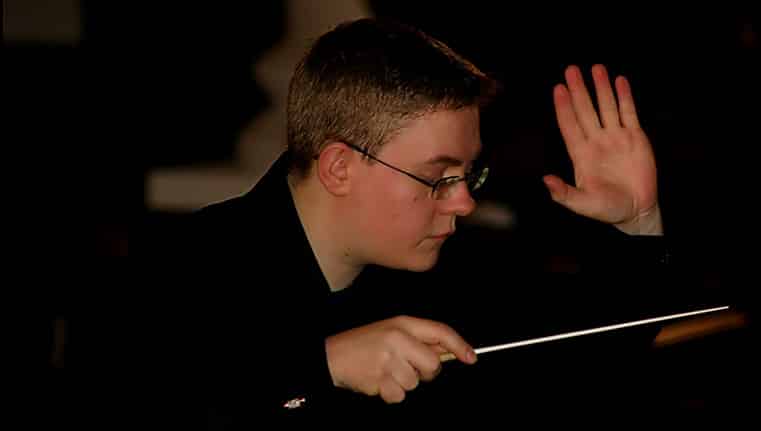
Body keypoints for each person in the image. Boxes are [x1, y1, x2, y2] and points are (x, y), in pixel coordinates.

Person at [142, 17, 669, 429]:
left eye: (468, 174)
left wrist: (634, 225)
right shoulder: (182, 271)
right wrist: (322, 368)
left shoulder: (447, 271)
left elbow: (588, 374)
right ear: (340, 168)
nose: (463, 202)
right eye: (437, 177)